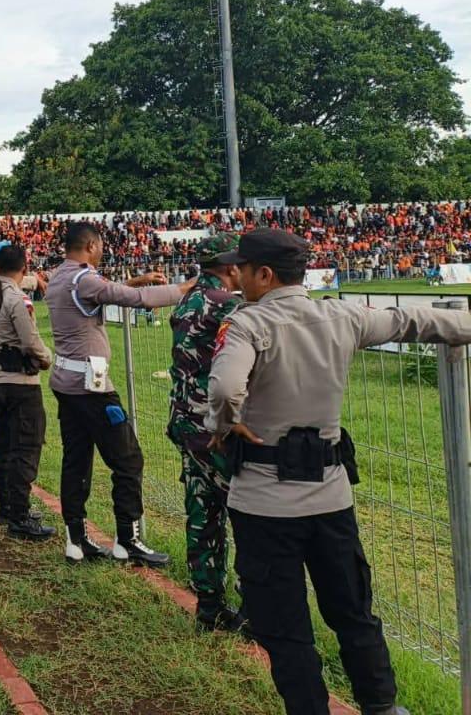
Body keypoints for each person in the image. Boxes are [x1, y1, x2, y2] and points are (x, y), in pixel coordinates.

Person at [207, 228, 471, 715]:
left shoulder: (247, 324)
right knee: (353, 612)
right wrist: (463, 325)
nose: (235, 276)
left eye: (240, 269)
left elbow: (224, 389)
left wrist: (226, 424)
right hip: (330, 497)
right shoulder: (342, 315)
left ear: (264, 274)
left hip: (265, 503)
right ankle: (381, 705)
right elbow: (409, 321)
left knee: (285, 628)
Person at [45, 221, 193, 567]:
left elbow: (104, 293)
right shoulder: (84, 278)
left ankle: (76, 539)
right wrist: (185, 288)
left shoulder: (60, 277)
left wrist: (135, 280)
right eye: (101, 247)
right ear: (91, 246)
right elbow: (135, 299)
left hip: (66, 382)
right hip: (91, 387)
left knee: (76, 459)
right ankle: (128, 540)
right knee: (128, 460)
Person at [166, 233, 245, 633]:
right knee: (245, 514)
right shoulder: (227, 304)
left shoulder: (188, 299)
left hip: (185, 420)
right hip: (216, 427)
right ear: (230, 267)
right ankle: (254, 607)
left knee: (202, 513)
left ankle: (209, 605)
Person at [0, 243, 55, 541]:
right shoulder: (17, 299)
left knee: (5, 442)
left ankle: (7, 505)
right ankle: (20, 515)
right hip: (21, 380)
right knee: (26, 446)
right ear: (24, 267)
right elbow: (30, 342)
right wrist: (47, 358)